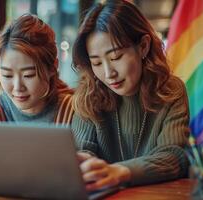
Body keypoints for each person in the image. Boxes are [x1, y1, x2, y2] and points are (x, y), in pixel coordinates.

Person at [71, 0, 190, 191]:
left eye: (116, 57)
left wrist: (121, 172)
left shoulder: (171, 91)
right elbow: (82, 150)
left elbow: (174, 156)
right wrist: (85, 164)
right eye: (97, 63)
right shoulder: (88, 95)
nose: (109, 73)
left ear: (143, 46)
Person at [0, 14, 73, 125]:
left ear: (53, 67)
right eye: (7, 75)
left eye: (28, 75)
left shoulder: (72, 111)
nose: (18, 88)